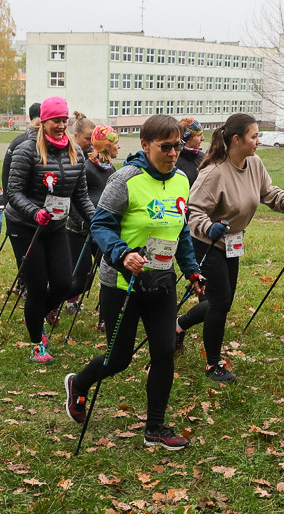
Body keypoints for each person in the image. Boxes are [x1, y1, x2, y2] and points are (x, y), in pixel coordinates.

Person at [63, 115, 205, 451]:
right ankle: (79, 383)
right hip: (122, 283)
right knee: (119, 357)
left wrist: (193, 270)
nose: (173, 153)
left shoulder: (182, 180)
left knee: (165, 350)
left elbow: (181, 232)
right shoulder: (125, 180)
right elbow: (100, 226)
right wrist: (122, 254)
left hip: (162, 279)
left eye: (178, 146)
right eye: (165, 146)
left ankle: (154, 427)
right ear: (145, 145)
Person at [174, 114, 284, 383]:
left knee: (220, 302)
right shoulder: (213, 172)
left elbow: (268, 192)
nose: (258, 141)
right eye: (254, 136)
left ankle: (177, 326)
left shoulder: (254, 163)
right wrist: (208, 227)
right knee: (220, 302)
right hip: (206, 242)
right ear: (237, 139)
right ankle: (213, 364)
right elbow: (193, 213)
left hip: (232, 242)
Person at [4, 96, 96, 363]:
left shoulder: (75, 152)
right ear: (44, 121)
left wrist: (96, 220)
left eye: (64, 120)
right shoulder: (26, 150)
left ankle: (35, 316)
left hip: (55, 226)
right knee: (36, 284)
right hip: (25, 226)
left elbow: (81, 196)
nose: (60, 125)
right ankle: (37, 343)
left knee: (64, 283)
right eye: (56, 120)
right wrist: (34, 211)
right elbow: (13, 192)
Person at [64, 124, 120, 317]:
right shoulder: (86, 167)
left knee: (109, 272)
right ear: (105, 146)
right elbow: (74, 198)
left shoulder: (111, 168)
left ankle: (106, 317)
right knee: (82, 281)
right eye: (115, 142)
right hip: (79, 231)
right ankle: (51, 302)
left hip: (101, 230)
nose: (118, 147)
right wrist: (81, 221)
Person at [2, 102, 42, 195]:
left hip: (17, 197)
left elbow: (6, 171)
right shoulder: (22, 142)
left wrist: (6, 199)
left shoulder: (16, 141)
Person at [176, 118, 205, 185]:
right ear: (188, 139)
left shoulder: (203, 157)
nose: (203, 138)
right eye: (199, 135)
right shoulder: (176, 162)